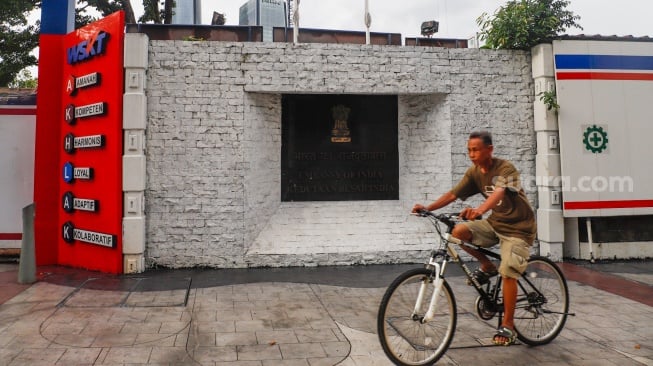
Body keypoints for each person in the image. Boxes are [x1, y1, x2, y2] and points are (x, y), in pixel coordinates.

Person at [412, 130, 536, 346]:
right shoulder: (474, 173)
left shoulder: (506, 168)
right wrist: (427, 207)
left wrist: (479, 210)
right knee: (458, 232)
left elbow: (499, 192)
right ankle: (487, 267)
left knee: (508, 272)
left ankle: (507, 325)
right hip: (495, 223)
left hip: (518, 228)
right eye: (469, 150)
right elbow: (453, 194)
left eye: (476, 149)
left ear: (489, 149)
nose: (471, 154)